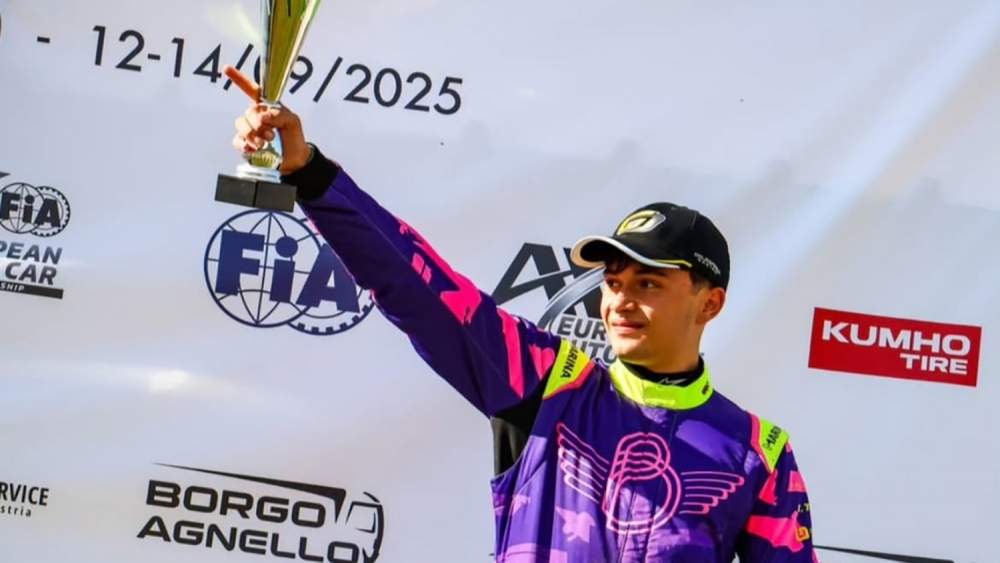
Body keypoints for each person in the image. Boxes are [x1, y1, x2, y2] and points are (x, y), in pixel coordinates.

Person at [223, 66, 820, 562]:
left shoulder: (758, 452)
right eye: (613, 282)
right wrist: (310, 174)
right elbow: (418, 286)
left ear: (709, 302)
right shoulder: (548, 382)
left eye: (648, 283)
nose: (620, 301)